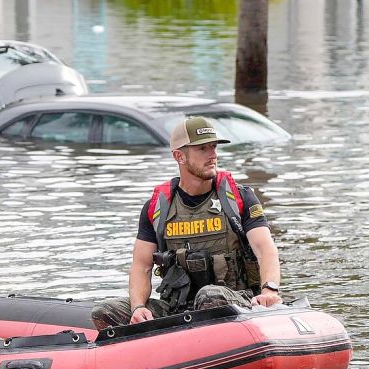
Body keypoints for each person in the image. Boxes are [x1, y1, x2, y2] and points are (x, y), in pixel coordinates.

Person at [91, 117, 283, 329]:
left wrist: (269, 291)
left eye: (214, 147)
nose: (213, 155)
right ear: (179, 156)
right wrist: (138, 308)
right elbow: (141, 266)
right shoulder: (157, 207)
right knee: (105, 312)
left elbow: (265, 249)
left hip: (234, 301)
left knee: (209, 297)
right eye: (202, 149)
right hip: (176, 307)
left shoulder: (239, 198)